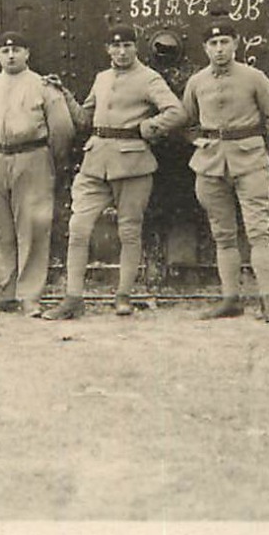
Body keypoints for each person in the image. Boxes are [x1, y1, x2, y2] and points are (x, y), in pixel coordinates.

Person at [44, 24, 185, 321]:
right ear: (107, 49)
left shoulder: (149, 78)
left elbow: (176, 111)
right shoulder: (102, 78)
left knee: (129, 232)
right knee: (79, 229)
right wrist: (64, 94)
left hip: (133, 163)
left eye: (127, 46)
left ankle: (124, 296)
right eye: (115, 47)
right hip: (95, 162)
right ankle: (73, 298)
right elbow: (85, 119)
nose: (121, 52)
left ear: (136, 48)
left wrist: (149, 128)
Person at [181, 19, 269, 323]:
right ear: (205, 48)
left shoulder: (254, 78)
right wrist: (199, 141)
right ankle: (230, 299)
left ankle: (268, 301)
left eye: (225, 42)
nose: (219, 49)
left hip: (250, 163)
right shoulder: (197, 82)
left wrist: (257, 148)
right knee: (223, 235)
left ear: (236, 44)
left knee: (258, 233)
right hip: (210, 164)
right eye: (213, 44)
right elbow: (186, 121)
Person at [0, 30, 74, 317]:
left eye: (17, 49)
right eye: (5, 50)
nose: (11, 54)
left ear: (27, 53)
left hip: (33, 158)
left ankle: (29, 296)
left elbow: (62, 130)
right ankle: (1, 292)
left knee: (32, 228)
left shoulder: (43, 86)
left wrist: (45, 160)